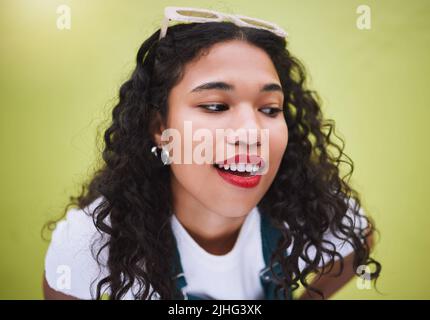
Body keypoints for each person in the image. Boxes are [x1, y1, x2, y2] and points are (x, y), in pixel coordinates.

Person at [43, 7, 381, 300]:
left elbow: (361, 235)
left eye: (270, 109)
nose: (251, 133)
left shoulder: (305, 210)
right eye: (216, 105)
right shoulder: (91, 241)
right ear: (161, 128)